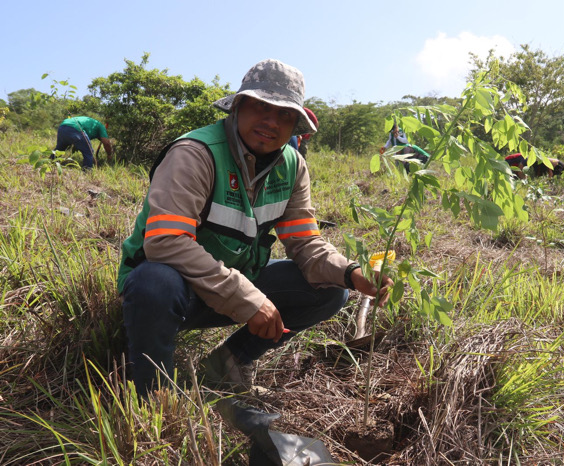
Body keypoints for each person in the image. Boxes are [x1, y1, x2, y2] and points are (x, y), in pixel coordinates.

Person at [117, 59, 393, 397]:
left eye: (285, 115)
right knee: (153, 282)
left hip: (232, 280)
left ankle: (227, 364)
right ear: (237, 107)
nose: (271, 122)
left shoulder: (292, 167)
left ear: (295, 127)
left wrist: (351, 273)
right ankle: (154, 395)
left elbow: (306, 243)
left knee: (332, 289)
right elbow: (165, 242)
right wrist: (247, 299)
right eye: (261, 107)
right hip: (178, 291)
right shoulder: (195, 154)